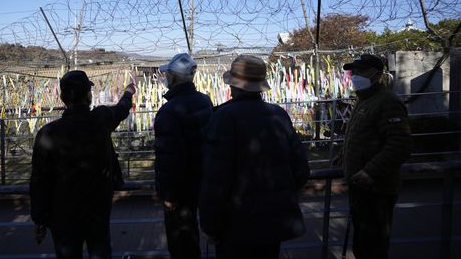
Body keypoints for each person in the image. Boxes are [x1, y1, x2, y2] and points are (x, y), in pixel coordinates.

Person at [199, 55, 310, 259]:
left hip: (235, 225)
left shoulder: (223, 117)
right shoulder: (278, 114)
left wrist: (209, 225)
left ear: (234, 86)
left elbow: (216, 179)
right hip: (274, 222)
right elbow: (301, 169)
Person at [30, 70, 136, 259]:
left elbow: (39, 179)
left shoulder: (48, 133)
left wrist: (39, 218)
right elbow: (121, 109)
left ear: (62, 98)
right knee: (100, 252)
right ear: (89, 95)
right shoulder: (101, 119)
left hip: (61, 213)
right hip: (98, 209)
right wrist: (128, 92)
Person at [335, 54, 412, 259]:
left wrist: (370, 171)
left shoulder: (387, 102)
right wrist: (343, 156)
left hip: (376, 187)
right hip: (359, 185)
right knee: (362, 243)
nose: (354, 75)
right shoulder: (365, 100)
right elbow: (362, 134)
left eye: (360, 71)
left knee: (373, 245)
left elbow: (399, 145)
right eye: (354, 71)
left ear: (377, 75)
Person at [154, 53, 213, 259]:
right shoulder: (205, 101)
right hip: (202, 178)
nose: (165, 78)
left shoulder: (169, 111)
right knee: (193, 232)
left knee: (181, 239)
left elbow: (170, 157)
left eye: (168, 74)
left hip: (181, 187)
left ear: (174, 77)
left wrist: (170, 194)